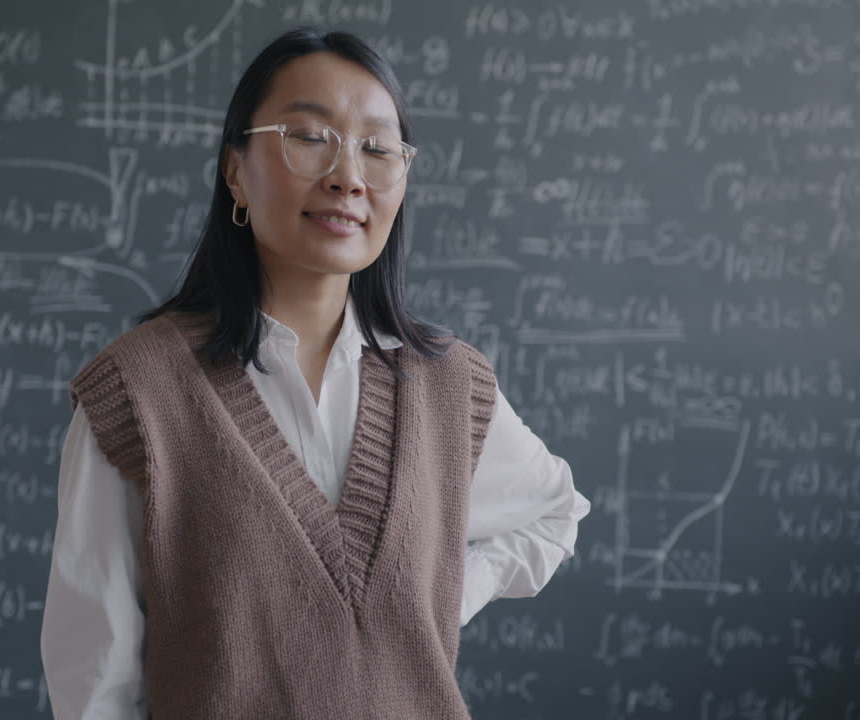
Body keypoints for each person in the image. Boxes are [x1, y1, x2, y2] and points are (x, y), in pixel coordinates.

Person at [40, 27, 590, 720]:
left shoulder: (446, 384)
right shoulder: (139, 395)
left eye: (378, 148)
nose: (349, 176)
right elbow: (95, 681)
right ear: (235, 169)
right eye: (309, 136)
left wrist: (440, 594)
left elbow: (554, 513)